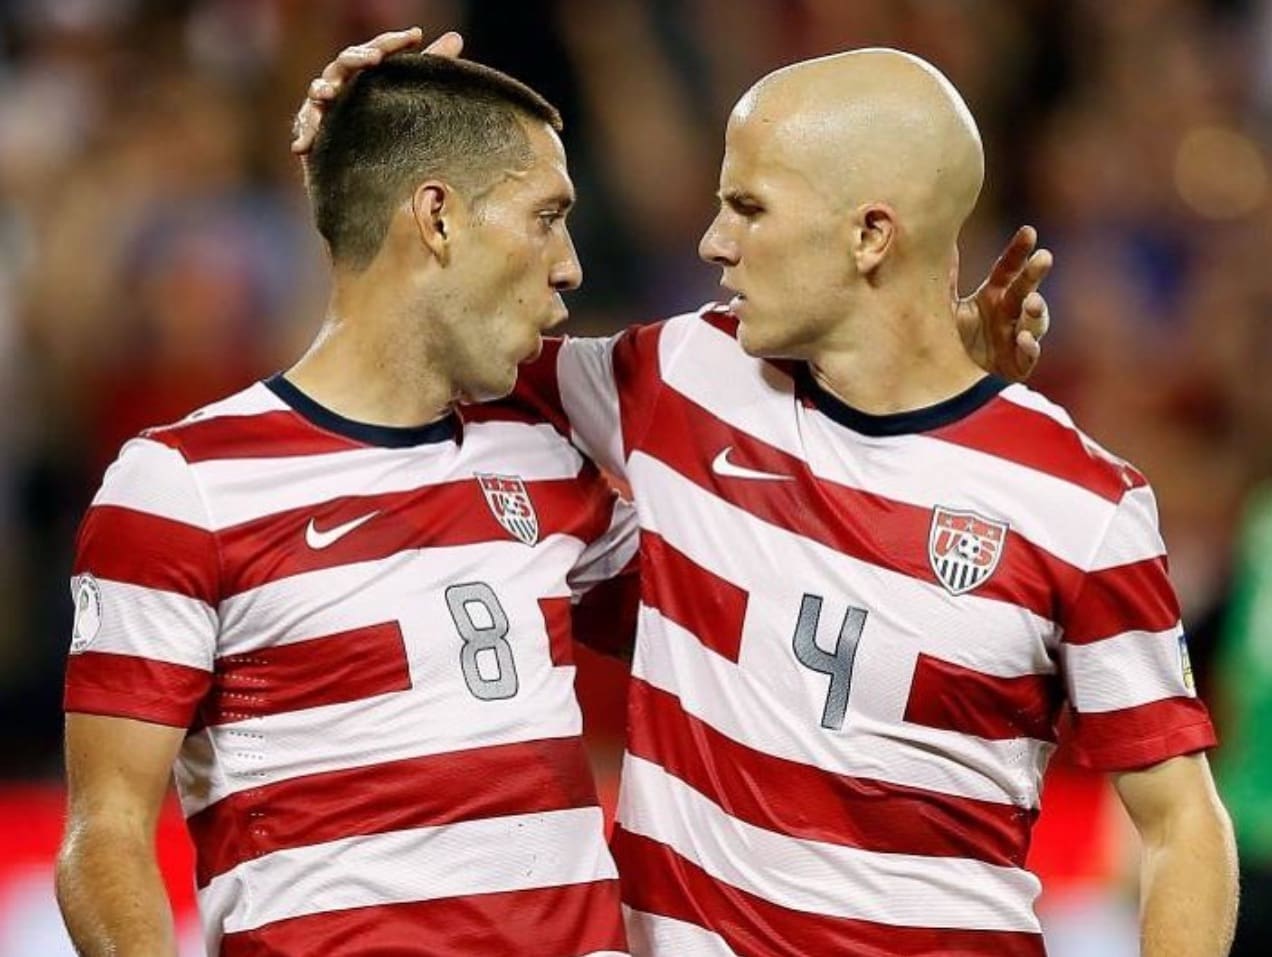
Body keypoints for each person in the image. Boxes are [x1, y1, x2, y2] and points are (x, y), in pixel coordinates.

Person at [298, 34, 1237, 957]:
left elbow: (1180, 823)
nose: (714, 242)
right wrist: (359, 170)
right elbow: (412, 342)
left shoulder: (1077, 501)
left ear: (871, 234)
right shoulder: (682, 376)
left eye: (748, 207)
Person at [55, 49, 640, 956]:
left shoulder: (546, 453)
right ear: (437, 216)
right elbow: (108, 833)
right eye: (547, 217)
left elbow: (735, 616)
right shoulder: (183, 484)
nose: (568, 265)